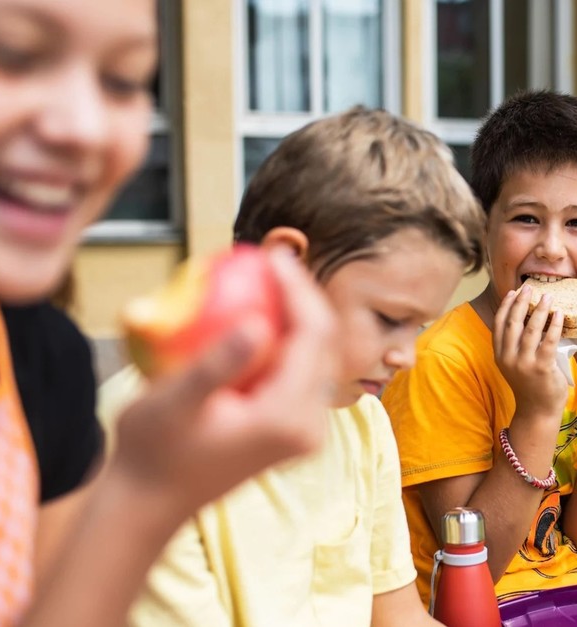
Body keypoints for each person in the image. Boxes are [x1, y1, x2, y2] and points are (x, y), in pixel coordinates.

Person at [0, 0, 338, 625]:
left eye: (123, 79)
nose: (84, 127)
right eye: (10, 53)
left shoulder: (45, 359)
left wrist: (146, 490)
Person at [96, 107, 484, 626]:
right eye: (389, 319)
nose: (405, 355)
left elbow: (396, 615)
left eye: (418, 326)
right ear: (287, 264)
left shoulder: (362, 417)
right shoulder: (151, 439)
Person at [382, 90, 577, 604]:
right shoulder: (441, 363)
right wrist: (538, 412)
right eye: (527, 218)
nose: (552, 248)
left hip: (567, 596)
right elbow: (474, 571)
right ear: (482, 221)